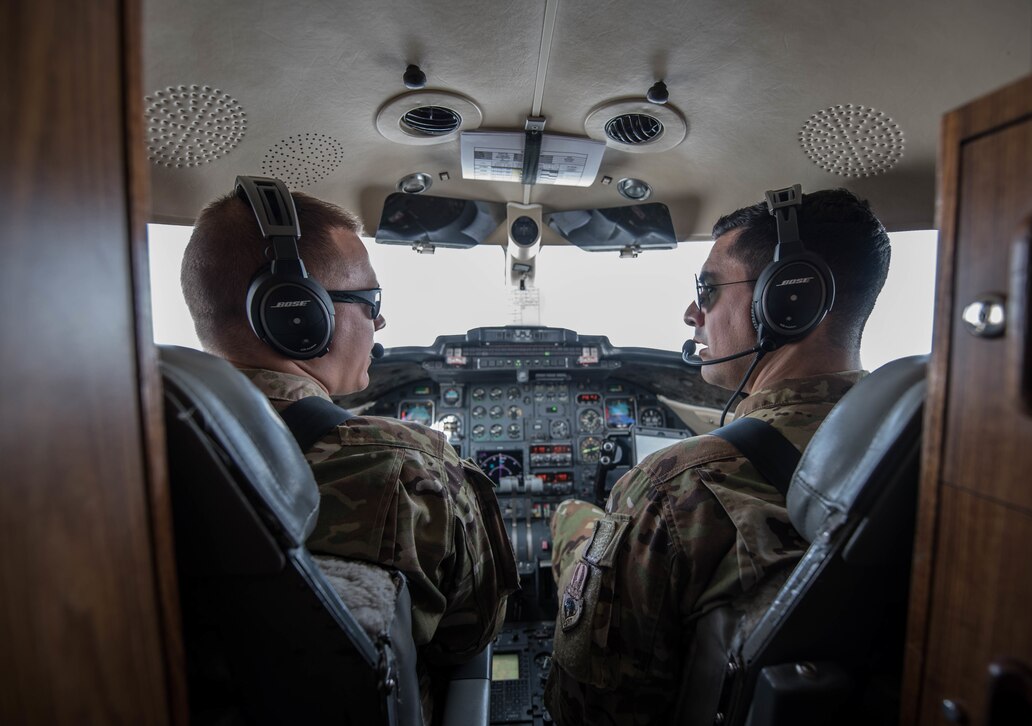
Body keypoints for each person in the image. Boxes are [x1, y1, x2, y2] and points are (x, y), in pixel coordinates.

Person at [544, 188, 891, 725]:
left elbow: (585, 709)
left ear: (788, 298)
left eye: (706, 290)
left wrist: (578, 531)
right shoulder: (928, 452)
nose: (691, 313)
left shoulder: (675, 485)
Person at [180, 183, 519, 722]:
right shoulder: (406, 463)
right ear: (296, 313)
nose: (379, 324)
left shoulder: (117, 454)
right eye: (370, 303)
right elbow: (469, 635)